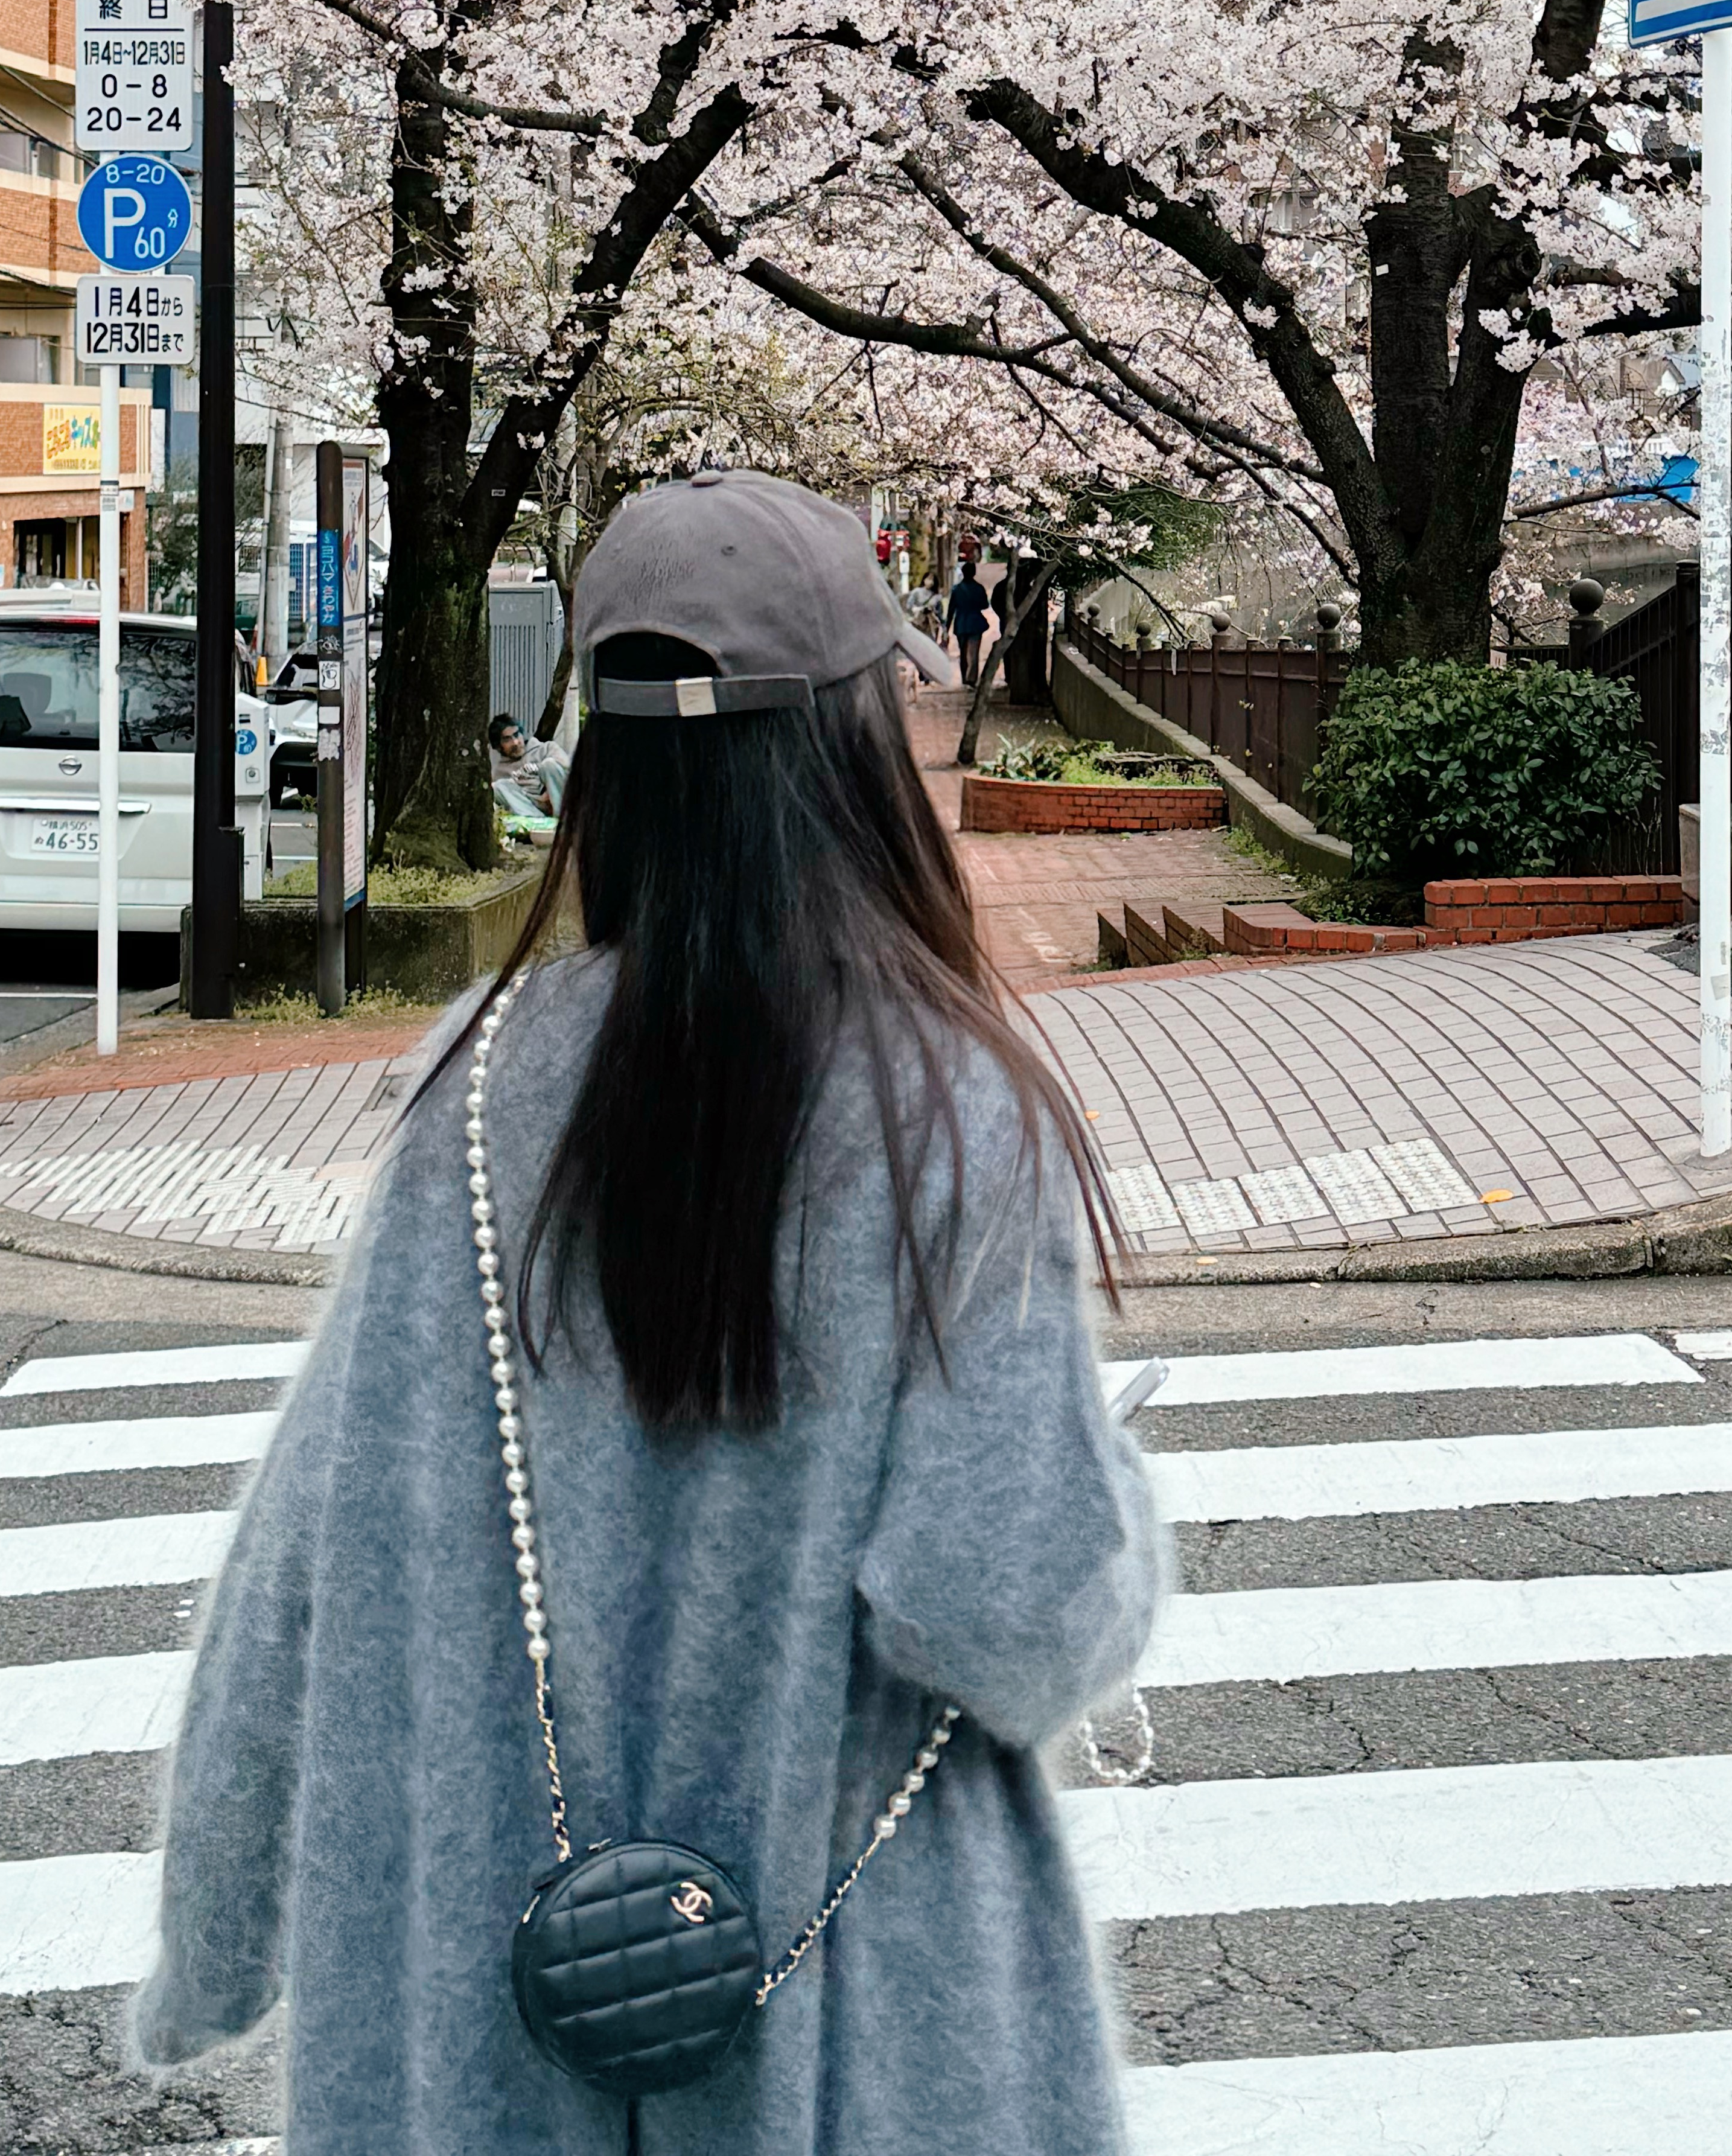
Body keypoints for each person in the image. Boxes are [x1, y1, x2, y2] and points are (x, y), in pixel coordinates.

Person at [133, 470, 1164, 2156]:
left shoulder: (474, 1090)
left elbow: (306, 1560)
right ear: (842, 751)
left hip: (486, 2016)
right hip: (869, 2032)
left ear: (610, 771)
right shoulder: (946, 1111)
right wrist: (1113, 1511)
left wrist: (215, 1944)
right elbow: (1008, 1616)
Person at [486, 709, 565, 821]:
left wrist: (549, 792)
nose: (515, 742)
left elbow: (570, 776)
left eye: (517, 735)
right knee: (497, 787)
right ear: (499, 747)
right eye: (507, 739)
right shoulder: (500, 771)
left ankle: (564, 819)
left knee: (549, 764)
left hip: (560, 802)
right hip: (532, 808)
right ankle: (535, 821)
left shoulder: (547, 749)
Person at [943, 559, 992, 690]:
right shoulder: (979, 588)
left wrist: (946, 628)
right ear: (974, 573)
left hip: (961, 624)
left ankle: (965, 678)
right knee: (974, 654)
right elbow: (985, 605)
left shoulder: (957, 589)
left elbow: (951, 610)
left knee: (963, 653)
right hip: (976, 623)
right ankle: (972, 679)